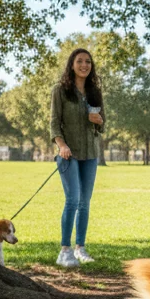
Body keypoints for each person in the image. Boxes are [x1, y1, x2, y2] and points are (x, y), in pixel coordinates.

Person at [50, 47, 105, 268]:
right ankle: (64, 251)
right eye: (80, 61)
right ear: (72, 64)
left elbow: (102, 125)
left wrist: (98, 121)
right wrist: (61, 145)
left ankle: (80, 248)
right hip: (68, 154)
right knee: (72, 200)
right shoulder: (60, 90)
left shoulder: (95, 92)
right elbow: (54, 123)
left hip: (91, 154)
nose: (84, 65)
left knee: (85, 203)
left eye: (88, 62)